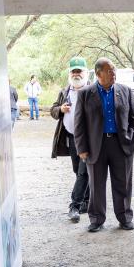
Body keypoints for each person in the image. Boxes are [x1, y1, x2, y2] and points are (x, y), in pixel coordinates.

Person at [74, 58, 134, 232]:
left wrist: (133, 138)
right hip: (97, 146)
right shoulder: (85, 93)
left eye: (114, 70)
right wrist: (82, 148)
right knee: (96, 184)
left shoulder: (125, 91)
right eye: (109, 71)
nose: (113, 74)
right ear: (98, 74)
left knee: (123, 183)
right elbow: (78, 124)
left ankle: (125, 217)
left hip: (121, 144)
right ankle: (96, 219)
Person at [50, 57, 91, 223]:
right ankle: (86, 201)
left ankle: (74, 205)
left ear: (85, 73)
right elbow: (53, 110)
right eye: (73, 71)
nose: (76, 74)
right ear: (70, 73)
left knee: (83, 171)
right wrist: (60, 109)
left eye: (79, 71)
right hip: (71, 137)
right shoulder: (64, 92)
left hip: (88, 139)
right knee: (78, 171)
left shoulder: (92, 90)